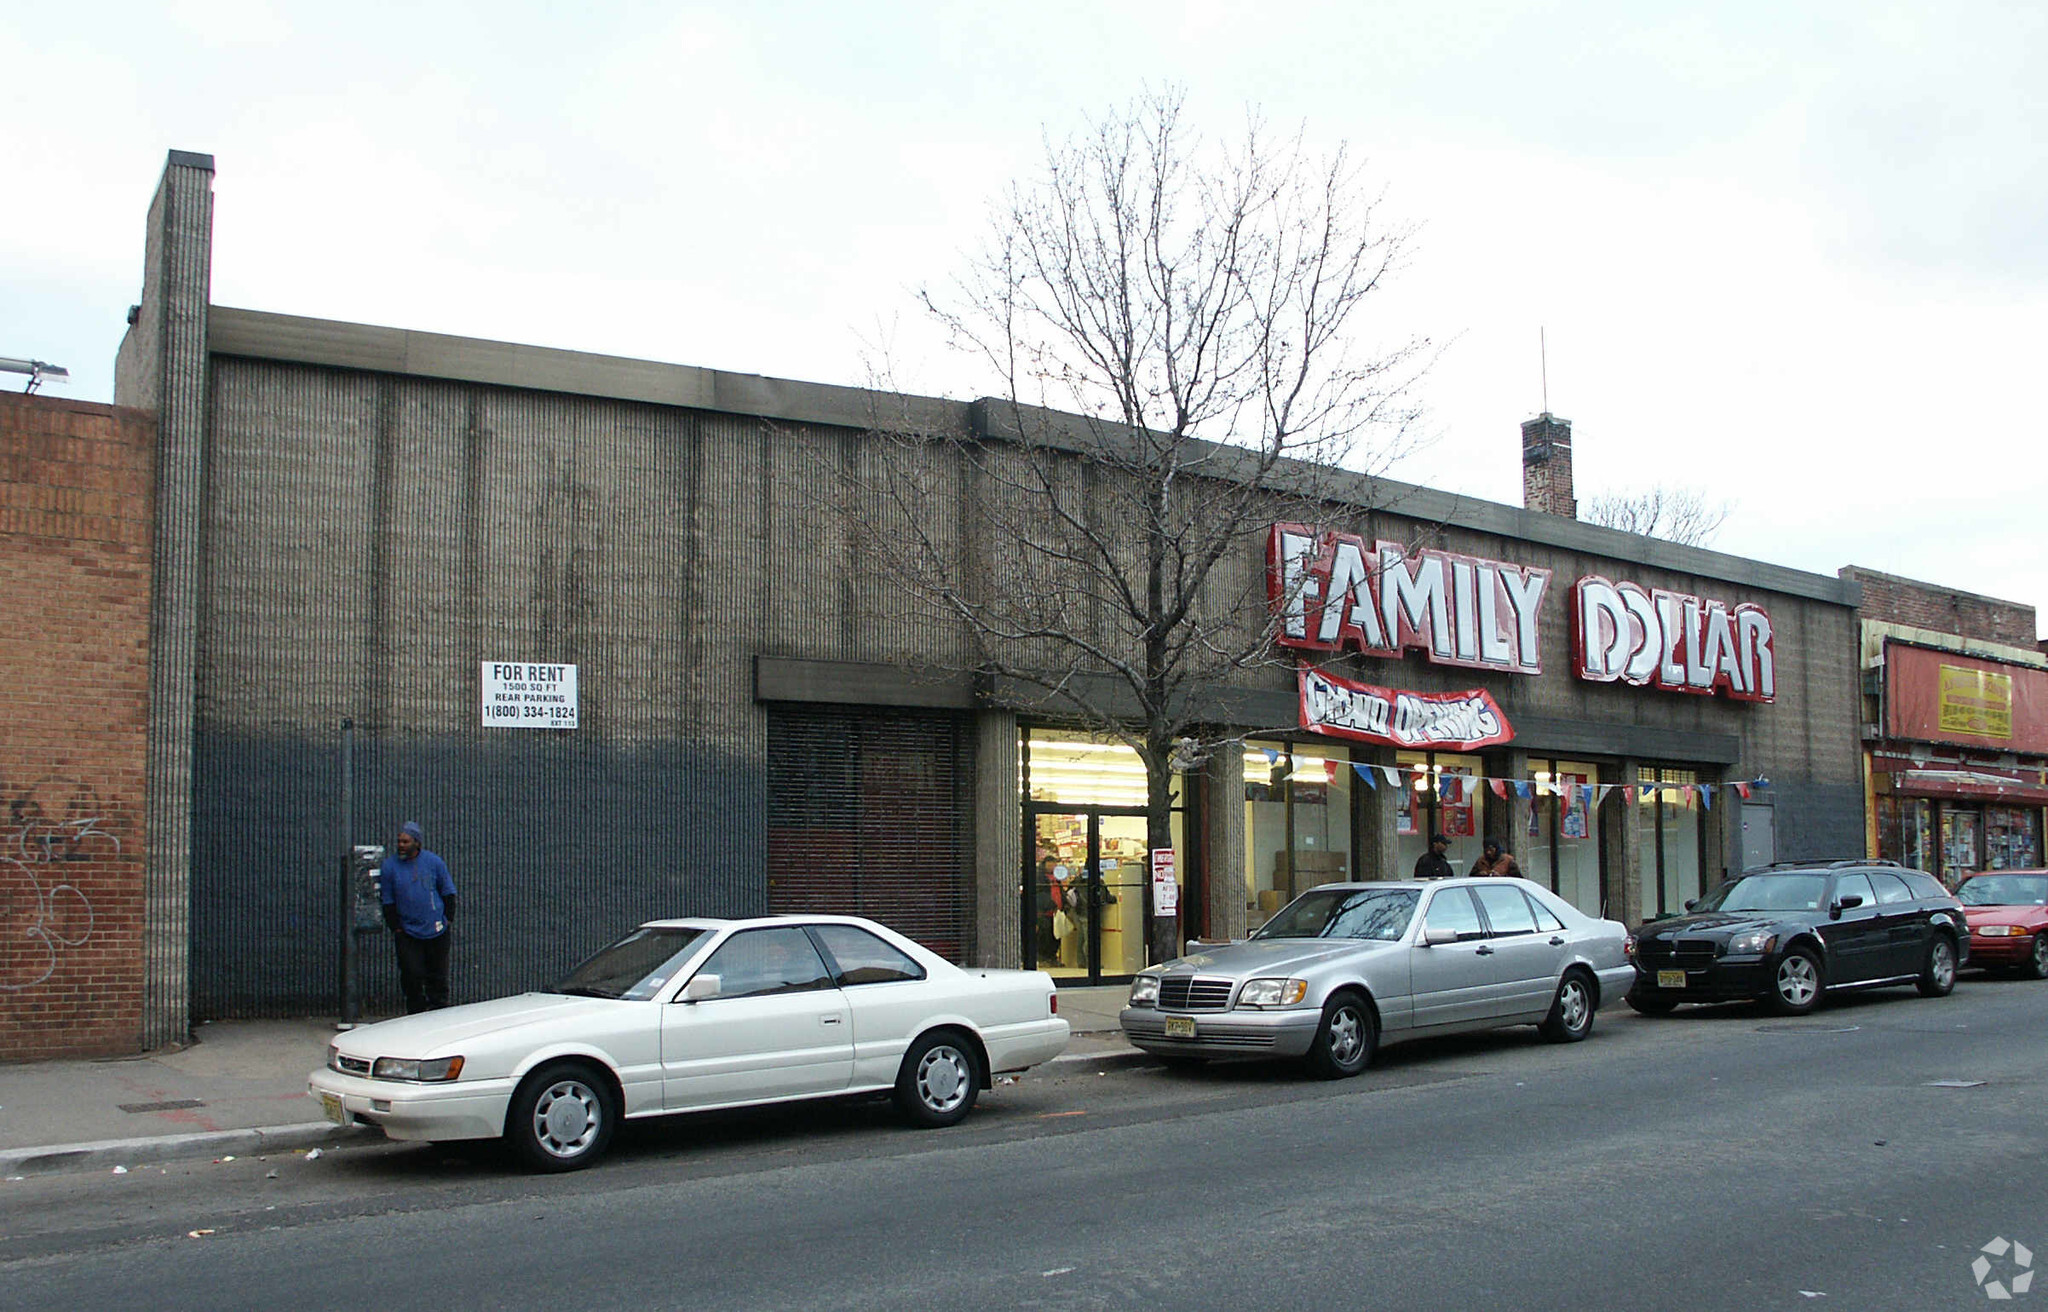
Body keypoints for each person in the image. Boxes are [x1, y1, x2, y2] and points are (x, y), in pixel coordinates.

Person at [380, 820, 457, 1013]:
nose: (401, 846)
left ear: (417, 843)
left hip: (436, 930)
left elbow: (447, 890)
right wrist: (396, 927)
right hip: (408, 931)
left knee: (438, 975)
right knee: (411, 974)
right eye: (399, 841)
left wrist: (448, 918)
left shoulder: (434, 862)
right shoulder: (390, 867)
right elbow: (388, 899)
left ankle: (439, 1012)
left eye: (405, 842)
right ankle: (415, 1013)